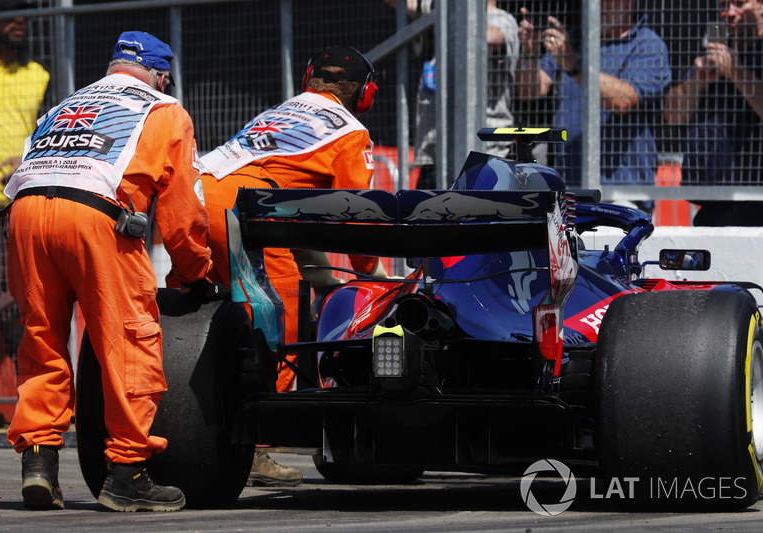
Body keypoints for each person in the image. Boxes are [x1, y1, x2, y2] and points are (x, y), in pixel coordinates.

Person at [3, 31, 224, 512]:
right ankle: (126, 474)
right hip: (95, 217)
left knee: (42, 339)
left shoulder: (65, 104)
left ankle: (39, 464)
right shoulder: (164, 109)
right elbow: (183, 215)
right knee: (129, 343)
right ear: (161, 74)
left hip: (25, 213)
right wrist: (194, 274)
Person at [196, 45, 387, 487]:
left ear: (310, 80)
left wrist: (320, 277)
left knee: (201, 327)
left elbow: (293, 208)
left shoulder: (279, 112)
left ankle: (186, 428)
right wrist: (373, 273)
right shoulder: (350, 132)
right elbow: (359, 221)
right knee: (274, 327)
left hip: (196, 203)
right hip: (247, 214)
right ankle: (259, 447)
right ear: (364, 93)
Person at [0, 0, 50, 404]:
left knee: (25, 295)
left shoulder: (40, 74)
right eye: (10, 14)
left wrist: (28, 157)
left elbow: (56, 128)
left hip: (24, 196)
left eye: (25, 14)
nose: (20, 21)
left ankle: (34, 399)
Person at [515, 0, 671, 192]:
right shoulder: (573, 40)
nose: (598, 5)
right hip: (569, 186)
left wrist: (573, 63)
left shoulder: (648, 44)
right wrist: (529, 51)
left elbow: (623, 100)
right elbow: (529, 91)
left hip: (623, 189)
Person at [663, 0, 763, 226]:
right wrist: (698, 80)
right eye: (723, 5)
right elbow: (673, 116)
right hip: (712, 200)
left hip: (757, 198)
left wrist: (734, 70)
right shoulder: (715, 52)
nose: (729, 13)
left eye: (738, 4)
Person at [400, 0, 519, 189]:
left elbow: (493, 37)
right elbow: (409, 4)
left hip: (484, 159)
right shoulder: (443, 9)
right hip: (434, 156)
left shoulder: (502, 19)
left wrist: (457, 16)